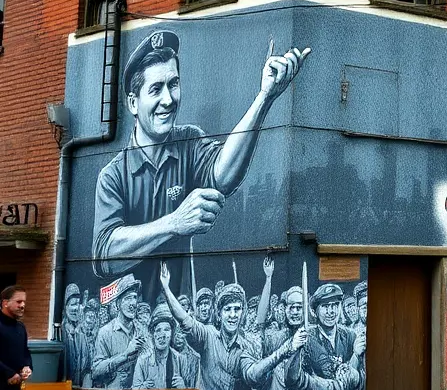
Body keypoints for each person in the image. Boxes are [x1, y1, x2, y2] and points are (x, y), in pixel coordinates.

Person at [92, 30, 311, 304]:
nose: (169, 100)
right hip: (133, 332)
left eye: (173, 84)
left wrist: (265, 97)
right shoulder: (113, 176)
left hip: (182, 329)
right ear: (133, 103)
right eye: (156, 89)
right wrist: (174, 223)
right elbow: (104, 256)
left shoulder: (189, 141)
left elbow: (224, 175)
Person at [159, 263, 253, 390]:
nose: (232, 315)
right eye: (227, 309)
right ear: (219, 314)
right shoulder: (207, 336)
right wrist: (167, 289)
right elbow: (184, 319)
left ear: (242, 313)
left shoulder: (247, 347)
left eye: (237, 309)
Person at [289, 284, 361, 390]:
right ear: (314, 311)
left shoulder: (350, 336)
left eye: (335, 305)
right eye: (325, 306)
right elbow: (295, 379)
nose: (331, 312)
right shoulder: (307, 338)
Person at [91, 276, 147, 389]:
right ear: (118, 304)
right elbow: (96, 371)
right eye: (128, 298)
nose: (133, 303)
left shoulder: (142, 330)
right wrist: (125, 354)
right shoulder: (105, 332)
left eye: (135, 297)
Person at [131, 302, 185, 390]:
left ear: (172, 333)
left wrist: (184, 389)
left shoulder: (180, 359)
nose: (162, 335)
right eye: (158, 330)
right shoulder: (143, 360)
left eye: (166, 329)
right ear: (153, 334)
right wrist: (143, 388)